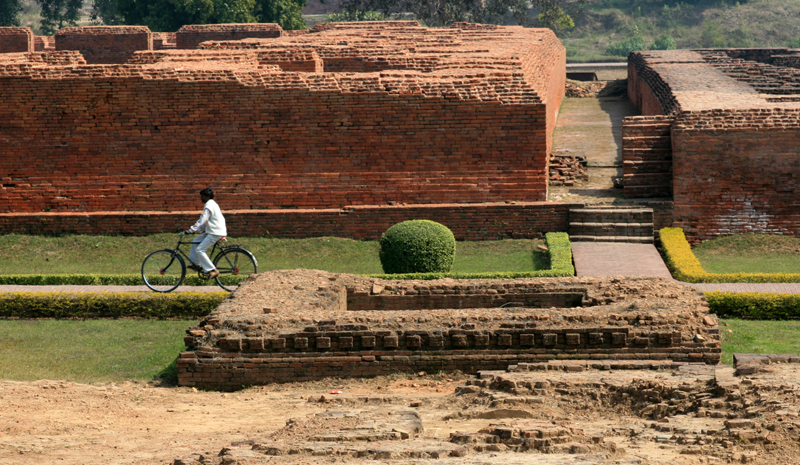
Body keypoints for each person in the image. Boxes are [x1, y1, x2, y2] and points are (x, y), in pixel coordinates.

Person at [184, 187, 227, 279]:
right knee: (196, 241)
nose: (201, 198)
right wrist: (197, 231)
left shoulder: (209, 205)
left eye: (202, 196)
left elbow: (203, 219)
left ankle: (213, 270)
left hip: (215, 232)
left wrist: (192, 229)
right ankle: (195, 264)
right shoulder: (213, 204)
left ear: (207, 196)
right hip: (213, 231)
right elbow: (206, 222)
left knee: (200, 250)